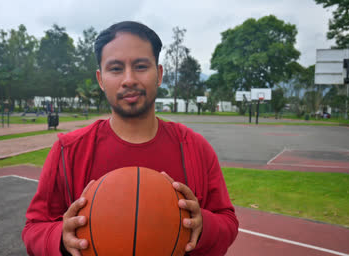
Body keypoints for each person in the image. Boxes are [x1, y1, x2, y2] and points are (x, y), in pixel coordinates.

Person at [22, 21, 238, 256]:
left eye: (141, 66)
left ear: (160, 74)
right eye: (115, 68)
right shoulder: (68, 151)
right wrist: (60, 239)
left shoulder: (196, 148)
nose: (129, 79)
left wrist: (203, 225)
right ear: (101, 79)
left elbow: (227, 222)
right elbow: (34, 229)